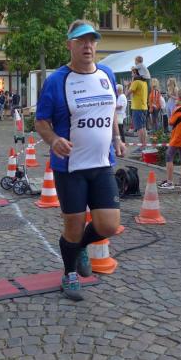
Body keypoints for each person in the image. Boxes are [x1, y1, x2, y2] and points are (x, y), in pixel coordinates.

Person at [34, 20, 124, 301]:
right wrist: (53, 140)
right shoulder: (57, 81)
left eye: (92, 40)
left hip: (102, 164)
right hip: (70, 167)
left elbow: (111, 111)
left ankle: (81, 246)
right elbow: (41, 121)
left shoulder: (107, 73)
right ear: (69, 44)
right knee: (73, 226)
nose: (88, 46)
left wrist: (117, 137)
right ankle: (69, 273)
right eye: (81, 41)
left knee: (109, 226)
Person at [160, 89, 181, 189]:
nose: (174, 99)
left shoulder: (178, 109)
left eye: (176, 97)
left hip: (177, 136)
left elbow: (171, 122)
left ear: (180, 98)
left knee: (169, 155)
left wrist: (171, 115)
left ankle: (169, 182)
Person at [128, 67, 149, 153]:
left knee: (139, 128)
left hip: (137, 107)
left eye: (132, 73)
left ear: (136, 73)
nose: (131, 74)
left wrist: (127, 85)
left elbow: (127, 93)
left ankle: (141, 147)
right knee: (143, 127)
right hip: (143, 107)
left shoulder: (136, 82)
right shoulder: (144, 82)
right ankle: (144, 146)